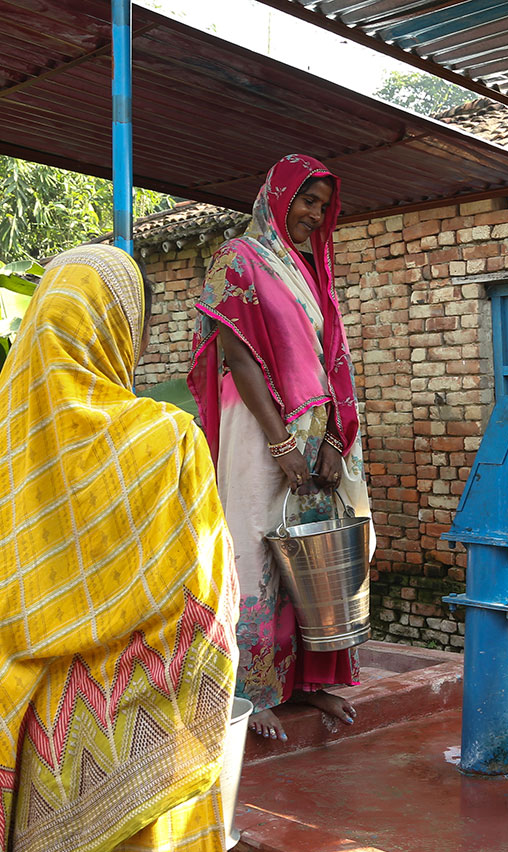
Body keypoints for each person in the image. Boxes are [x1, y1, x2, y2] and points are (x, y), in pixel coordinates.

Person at [0, 243, 244, 852]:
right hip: (157, 749)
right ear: (118, 333)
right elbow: (209, 611)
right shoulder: (168, 445)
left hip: (46, 756)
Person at [189, 153, 369, 741]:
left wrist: (334, 440)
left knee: (312, 552)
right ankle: (248, 690)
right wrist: (281, 441)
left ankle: (309, 685)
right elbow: (238, 356)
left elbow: (328, 359)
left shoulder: (312, 268)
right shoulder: (236, 258)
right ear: (278, 196)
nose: (314, 215)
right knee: (251, 549)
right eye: (306, 201)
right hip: (258, 428)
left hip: (316, 426)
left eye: (323, 205)